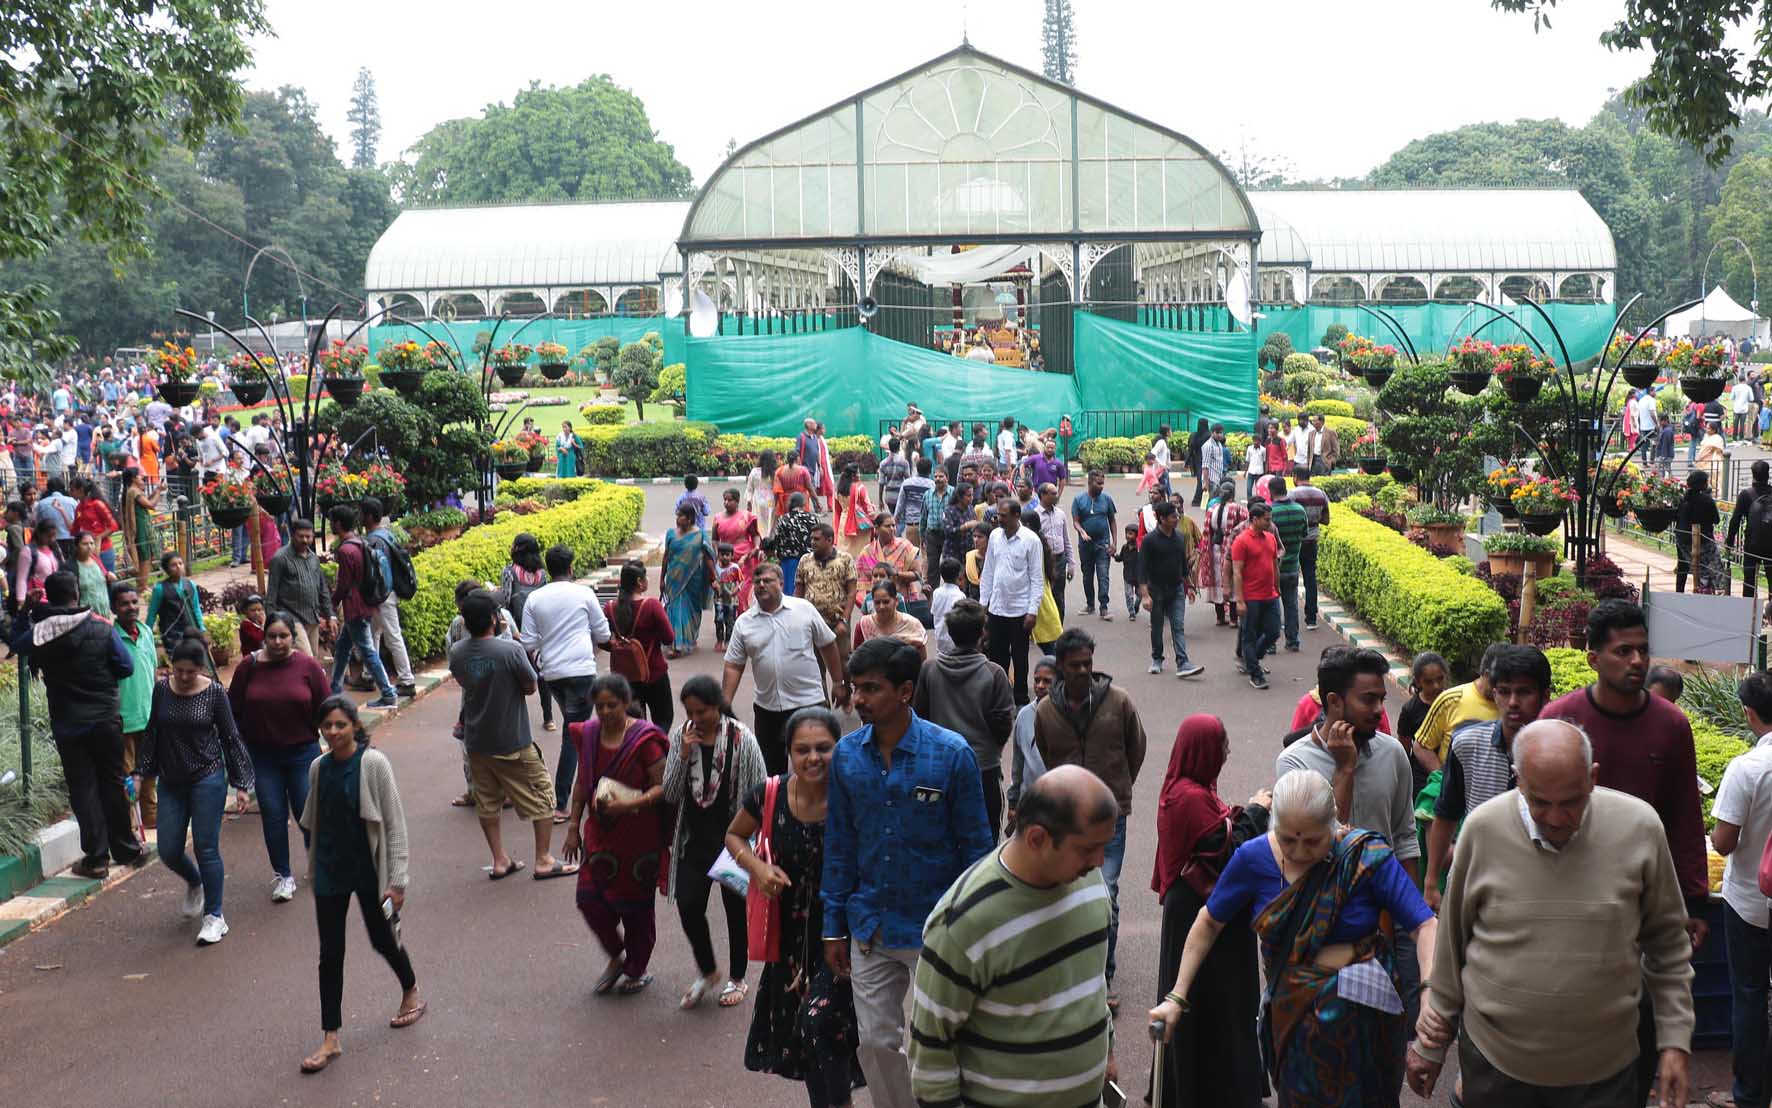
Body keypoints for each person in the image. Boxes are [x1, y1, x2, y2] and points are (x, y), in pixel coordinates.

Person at [1407, 721, 1692, 1108]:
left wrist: (1675, 1041)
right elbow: (1451, 948)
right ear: (1518, 781)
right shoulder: (1483, 829)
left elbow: (1669, 947)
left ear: (1592, 778)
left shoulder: (1640, 828)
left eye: (1571, 802)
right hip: (1495, 1068)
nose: (1556, 818)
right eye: (1540, 802)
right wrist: (1431, 1044)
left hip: (1605, 1075)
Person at [1151, 769, 1437, 1106]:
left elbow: (1424, 925)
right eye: (1288, 840)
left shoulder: (1365, 856)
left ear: (1334, 822)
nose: (1300, 851)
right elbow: (1209, 922)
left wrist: (1429, 996)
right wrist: (1177, 996)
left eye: (1313, 841)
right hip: (1295, 1028)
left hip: (1366, 1028)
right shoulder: (1253, 859)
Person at [1545, 598, 1709, 1104]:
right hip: (1567, 900)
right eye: (1623, 651)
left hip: (1641, 903)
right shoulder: (1559, 721)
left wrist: (1693, 900)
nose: (1637, 661)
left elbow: (1684, 817)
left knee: (1637, 1031)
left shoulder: (1671, 725)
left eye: (1643, 649)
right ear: (1593, 657)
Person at [822, 638, 992, 1108]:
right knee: (876, 1044)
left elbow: (977, 850)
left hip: (939, 931)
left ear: (905, 692)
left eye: (871, 688)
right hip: (870, 926)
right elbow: (839, 845)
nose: (858, 698)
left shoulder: (951, 755)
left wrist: (976, 931)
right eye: (855, 687)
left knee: (938, 1045)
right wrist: (833, 927)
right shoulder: (846, 757)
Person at [909, 766, 1120, 1108]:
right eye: (1087, 849)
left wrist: (1106, 1047)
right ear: (1037, 838)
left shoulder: (1088, 882)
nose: (1099, 862)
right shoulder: (962, 922)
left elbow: (1092, 982)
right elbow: (931, 1049)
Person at [1275, 645, 1424, 1083]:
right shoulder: (1295, 763)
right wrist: (1344, 770)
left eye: (1382, 699)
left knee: (1386, 1044)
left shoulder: (1393, 755)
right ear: (1334, 702)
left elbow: (1404, 836)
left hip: (1385, 925)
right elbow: (1326, 845)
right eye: (1369, 700)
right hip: (1322, 931)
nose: (1380, 711)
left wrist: (1411, 917)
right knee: (1327, 1050)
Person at [731, 707, 863, 1106]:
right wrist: (758, 868)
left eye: (824, 748)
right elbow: (734, 836)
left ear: (839, 748)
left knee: (820, 1023)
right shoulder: (768, 795)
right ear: (788, 751)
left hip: (842, 935)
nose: (813, 758)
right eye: (802, 749)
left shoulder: (855, 795)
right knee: (808, 1038)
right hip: (787, 939)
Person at [297, 696, 425, 1073]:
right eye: (327, 726)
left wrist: (397, 881)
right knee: (330, 953)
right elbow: (312, 819)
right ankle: (330, 1037)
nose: (333, 732)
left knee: (382, 939)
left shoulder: (373, 764)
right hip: (330, 870)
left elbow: (394, 825)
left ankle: (410, 989)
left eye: (340, 725)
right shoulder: (318, 768)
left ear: (355, 725)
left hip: (370, 870)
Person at [1150, 716, 1270, 1108]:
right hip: (1202, 914)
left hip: (1195, 909)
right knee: (1216, 1004)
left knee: (1207, 1004)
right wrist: (1256, 811)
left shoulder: (1189, 789)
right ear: (1203, 751)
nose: (1225, 753)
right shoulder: (1189, 797)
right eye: (1221, 746)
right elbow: (1227, 853)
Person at [1034, 628, 1147, 1009]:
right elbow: (1047, 755)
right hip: (1067, 820)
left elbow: (1136, 748)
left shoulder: (1118, 702)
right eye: (1074, 666)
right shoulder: (1046, 712)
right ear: (1061, 668)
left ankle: (1103, 977)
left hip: (1109, 818)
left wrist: (1117, 791)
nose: (1082, 671)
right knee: (1068, 892)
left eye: (1087, 664)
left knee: (1106, 893)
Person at [17, 572, 149, 877]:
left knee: (83, 788)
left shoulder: (42, 634)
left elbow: (18, 643)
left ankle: (97, 859)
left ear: (49, 597)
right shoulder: (101, 628)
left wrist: (27, 612)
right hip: (105, 719)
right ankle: (126, 849)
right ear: (77, 593)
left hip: (69, 724)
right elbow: (125, 666)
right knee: (112, 782)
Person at [450, 589, 576, 881]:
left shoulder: (457, 652)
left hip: (476, 740)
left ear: (465, 622)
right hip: (512, 738)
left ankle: (499, 860)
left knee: (487, 801)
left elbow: (462, 680)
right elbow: (531, 686)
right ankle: (543, 859)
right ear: (494, 619)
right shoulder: (510, 651)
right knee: (543, 794)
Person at [137, 635, 252, 945]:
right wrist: (140, 773)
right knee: (168, 849)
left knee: (206, 847)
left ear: (201, 669)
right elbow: (152, 731)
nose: (184, 677)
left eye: (191, 671)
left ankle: (214, 916)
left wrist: (241, 784)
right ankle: (194, 881)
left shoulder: (214, 693)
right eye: (179, 670)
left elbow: (230, 738)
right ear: (171, 667)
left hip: (207, 777)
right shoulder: (162, 689)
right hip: (171, 780)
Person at [560, 673, 670, 996]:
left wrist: (630, 804)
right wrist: (573, 827)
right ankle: (617, 956)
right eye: (600, 706)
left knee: (635, 908)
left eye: (612, 705)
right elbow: (583, 783)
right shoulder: (590, 735)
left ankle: (637, 968)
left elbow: (663, 786)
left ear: (626, 703)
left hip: (638, 838)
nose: (606, 712)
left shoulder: (644, 739)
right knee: (588, 900)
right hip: (599, 834)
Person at [662, 676, 766, 1010]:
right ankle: (708, 971)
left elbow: (759, 794)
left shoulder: (742, 739)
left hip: (734, 842)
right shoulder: (681, 737)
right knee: (688, 905)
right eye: (690, 712)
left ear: (717, 707)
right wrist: (683, 755)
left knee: (736, 911)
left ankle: (738, 977)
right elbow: (670, 793)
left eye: (702, 712)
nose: (696, 719)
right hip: (694, 840)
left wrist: (752, 843)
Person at [1423, 644, 1551, 906]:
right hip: (1477, 881)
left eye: (1524, 692)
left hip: (1539, 886)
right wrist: (1431, 881)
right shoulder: (1466, 743)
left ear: (1545, 696)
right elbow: (1446, 813)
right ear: (1494, 694)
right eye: (1504, 691)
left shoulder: (1560, 750)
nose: (1512, 702)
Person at [229, 610, 331, 903]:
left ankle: (317, 863)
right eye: (272, 636)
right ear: (264, 637)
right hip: (263, 757)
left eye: (283, 636)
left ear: (292, 637)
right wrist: (238, 749)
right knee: (273, 815)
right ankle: (283, 876)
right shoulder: (248, 667)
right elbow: (233, 711)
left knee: (306, 813)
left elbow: (327, 707)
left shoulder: (308, 666)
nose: (277, 642)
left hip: (303, 753)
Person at [1709, 672, 1772, 1108]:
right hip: (1753, 901)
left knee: (1749, 994)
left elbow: (1724, 842)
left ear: (1749, 713)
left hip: (1750, 902)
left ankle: (1749, 1096)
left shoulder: (1748, 768)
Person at [723, 561, 848, 775]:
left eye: (768, 580)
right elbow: (734, 665)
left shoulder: (804, 610)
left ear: (781, 583)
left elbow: (827, 644)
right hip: (768, 708)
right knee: (771, 771)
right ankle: (781, 797)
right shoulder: (744, 623)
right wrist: (724, 703)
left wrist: (838, 682)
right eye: (757, 581)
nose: (761, 585)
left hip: (808, 702)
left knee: (819, 765)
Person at [518, 544, 613, 819]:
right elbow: (603, 634)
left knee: (575, 730)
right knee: (575, 736)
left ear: (548, 569)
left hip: (553, 676)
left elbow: (528, 642)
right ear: (571, 568)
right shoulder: (584, 593)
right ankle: (562, 803)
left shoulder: (535, 599)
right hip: (581, 671)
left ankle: (583, 792)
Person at [912, 598, 1014, 839]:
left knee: (943, 834)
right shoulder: (994, 673)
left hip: (939, 766)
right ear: (982, 634)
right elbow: (1002, 724)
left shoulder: (930, 670)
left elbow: (919, 718)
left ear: (950, 632)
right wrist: (992, 750)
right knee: (985, 835)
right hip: (983, 768)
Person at [325, 506, 397, 709]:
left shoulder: (345, 550)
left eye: (332, 521)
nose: (330, 525)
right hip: (364, 604)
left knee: (367, 651)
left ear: (338, 523)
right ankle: (334, 690)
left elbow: (344, 585)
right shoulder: (359, 542)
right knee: (343, 648)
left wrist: (332, 603)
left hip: (354, 608)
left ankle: (388, 692)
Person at [979, 497, 1043, 706]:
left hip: (1020, 611)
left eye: (1004, 516)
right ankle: (1000, 697)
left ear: (1016, 516)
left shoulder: (1031, 540)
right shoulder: (995, 536)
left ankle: (1021, 698)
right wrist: (983, 604)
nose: (999, 519)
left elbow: (1036, 578)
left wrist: (1032, 610)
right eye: (998, 515)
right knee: (997, 657)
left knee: (1020, 657)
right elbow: (988, 571)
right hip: (997, 608)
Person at [602, 560, 676, 729]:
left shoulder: (610, 608)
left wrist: (618, 646)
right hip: (654, 673)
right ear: (639, 582)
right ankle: (656, 744)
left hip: (624, 677)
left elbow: (602, 640)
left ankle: (639, 744)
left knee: (633, 724)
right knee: (663, 720)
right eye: (645, 577)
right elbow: (669, 638)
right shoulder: (652, 606)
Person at [356, 499, 416, 698]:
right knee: (373, 634)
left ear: (369, 516)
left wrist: (373, 597)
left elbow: (375, 574)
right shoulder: (387, 535)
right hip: (387, 593)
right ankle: (368, 675)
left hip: (381, 596)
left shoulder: (373, 541)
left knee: (391, 636)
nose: (359, 517)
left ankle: (407, 680)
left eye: (361, 513)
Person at [111, 581, 159, 831]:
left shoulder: (146, 632)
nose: (130, 607)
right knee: (127, 774)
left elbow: (153, 671)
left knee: (149, 769)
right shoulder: (111, 638)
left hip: (148, 716)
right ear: (114, 608)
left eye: (134, 602)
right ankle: (130, 826)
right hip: (124, 720)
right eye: (123, 604)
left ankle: (151, 818)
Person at [1140, 499, 1204, 678]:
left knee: (1178, 626)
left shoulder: (1179, 538)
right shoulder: (1149, 541)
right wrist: (1145, 595)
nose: (1177, 519)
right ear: (1162, 519)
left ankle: (1183, 662)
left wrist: (1189, 586)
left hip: (1177, 589)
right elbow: (1141, 570)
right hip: (1156, 590)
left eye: (1177, 516)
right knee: (1157, 626)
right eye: (1173, 517)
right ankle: (1157, 658)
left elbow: (1182, 565)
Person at [499, 532, 555, 732]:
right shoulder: (542, 574)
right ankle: (549, 718)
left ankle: (515, 721)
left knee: (515, 673)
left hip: (517, 629)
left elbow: (506, 600)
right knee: (541, 672)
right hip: (539, 628)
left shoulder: (509, 571)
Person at [1231, 501, 1282, 689]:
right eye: (1266, 519)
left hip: (1270, 595)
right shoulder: (1241, 541)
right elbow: (1237, 572)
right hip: (1251, 597)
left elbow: (1274, 566)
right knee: (1249, 635)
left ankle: (1252, 658)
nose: (1270, 523)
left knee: (1274, 631)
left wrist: (1277, 588)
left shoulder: (1270, 538)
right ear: (1255, 519)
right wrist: (1239, 600)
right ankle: (1255, 673)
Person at [266, 518, 333, 659]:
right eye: (300, 536)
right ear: (292, 535)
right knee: (307, 657)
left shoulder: (313, 558)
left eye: (308, 536)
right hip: (291, 618)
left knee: (311, 660)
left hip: (312, 617)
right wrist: (271, 622)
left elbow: (322, 589)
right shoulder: (280, 558)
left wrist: (330, 615)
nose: (304, 540)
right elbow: (272, 592)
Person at [1006, 655, 1059, 813]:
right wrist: (1013, 801)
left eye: (1047, 681)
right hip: (1031, 804)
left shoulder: (1069, 716)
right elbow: (1018, 763)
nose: (1040, 686)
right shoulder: (1024, 715)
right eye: (1037, 680)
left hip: (1060, 804)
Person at [1281, 470, 1330, 633]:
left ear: (1295, 477)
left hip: (1295, 541)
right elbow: (1326, 519)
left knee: (1290, 578)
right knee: (1310, 578)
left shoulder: (1292, 494)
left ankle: (1290, 618)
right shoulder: (1321, 494)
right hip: (1312, 539)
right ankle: (1311, 618)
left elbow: (1288, 515)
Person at [662, 504, 714, 656]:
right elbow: (666, 557)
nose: (677, 519)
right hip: (673, 580)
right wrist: (661, 579)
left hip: (693, 580)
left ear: (690, 518)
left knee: (692, 611)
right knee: (675, 608)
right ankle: (676, 645)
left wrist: (714, 578)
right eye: (677, 515)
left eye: (681, 516)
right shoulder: (671, 534)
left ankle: (689, 638)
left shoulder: (701, 535)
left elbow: (708, 558)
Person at [1395, 651, 1448, 799]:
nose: (1436, 686)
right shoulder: (1410, 710)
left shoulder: (1452, 702)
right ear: (1418, 682)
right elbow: (1404, 748)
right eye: (1429, 682)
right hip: (1422, 778)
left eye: (1440, 679)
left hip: (1450, 771)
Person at [1070, 468, 1117, 621]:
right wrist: (1082, 532)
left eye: (1103, 483)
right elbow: (1076, 522)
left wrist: (1114, 543)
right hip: (1086, 546)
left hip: (1103, 544)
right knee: (1087, 576)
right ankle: (1090, 604)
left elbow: (1112, 521)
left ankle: (1104, 607)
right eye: (1098, 483)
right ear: (1090, 482)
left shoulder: (1107, 499)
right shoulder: (1079, 500)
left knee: (1103, 576)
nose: (1101, 486)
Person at [1200, 479, 1247, 626]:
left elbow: (1207, 532)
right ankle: (1233, 619)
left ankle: (1220, 618)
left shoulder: (1212, 509)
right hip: (1231, 549)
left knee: (1217, 583)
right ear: (1233, 494)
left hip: (1215, 549)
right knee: (1232, 582)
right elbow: (1245, 527)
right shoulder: (1238, 509)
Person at [711, 487, 763, 610]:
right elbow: (714, 539)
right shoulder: (718, 518)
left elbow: (755, 535)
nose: (726, 503)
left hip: (745, 560)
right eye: (725, 500)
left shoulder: (747, 516)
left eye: (730, 500)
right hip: (726, 560)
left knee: (742, 592)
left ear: (737, 501)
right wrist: (718, 554)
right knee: (726, 594)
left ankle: (742, 617)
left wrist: (756, 547)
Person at [1675, 468, 1725, 593]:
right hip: (1703, 540)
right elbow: (1716, 519)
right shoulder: (1706, 500)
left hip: (1683, 539)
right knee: (1712, 566)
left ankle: (1679, 592)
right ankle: (1715, 590)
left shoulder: (1682, 499)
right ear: (1702, 484)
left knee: (1682, 566)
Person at [856, 512, 923, 603]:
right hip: (878, 602)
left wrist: (897, 574)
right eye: (887, 526)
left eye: (893, 525)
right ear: (877, 529)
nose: (892, 529)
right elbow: (861, 583)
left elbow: (918, 574)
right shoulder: (867, 552)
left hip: (903, 599)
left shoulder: (905, 547)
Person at [1728, 459, 1772, 600]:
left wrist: (1729, 541)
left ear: (1753, 475)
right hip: (1771, 544)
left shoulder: (1746, 495)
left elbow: (1735, 520)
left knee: (1749, 581)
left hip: (1752, 544)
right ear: (1768, 475)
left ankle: (1748, 609)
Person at [851, 579, 927, 658]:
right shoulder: (864, 626)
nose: (881, 606)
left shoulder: (911, 624)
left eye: (886, 602)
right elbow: (857, 658)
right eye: (877, 602)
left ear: (896, 601)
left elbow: (922, 658)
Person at [771, 492, 816, 594]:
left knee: (790, 589)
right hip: (809, 558)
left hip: (789, 561)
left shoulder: (783, 519)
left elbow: (778, 540)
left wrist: (778, 557)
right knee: (809, 588)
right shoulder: (812, 518)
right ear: (803, 504)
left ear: (790, 504)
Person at [73, 477, 120, 574]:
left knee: (108, 579)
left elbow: (114, 526)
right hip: (87, 552)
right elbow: (74, 530)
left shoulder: (97, 504)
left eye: (72, 490)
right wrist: (62, 512)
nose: (70, 492)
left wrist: (99, 537)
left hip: (104, 550)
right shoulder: (79, 508)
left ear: (80, 490)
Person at [833, 464, 873, 558]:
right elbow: (868, 506)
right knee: (860, 552)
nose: (859, 475)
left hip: (843, 520)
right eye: (858, 473)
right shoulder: (860, 488)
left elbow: (837, 510)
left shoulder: (838, 490)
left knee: (845, 549)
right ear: (853, 475)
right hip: (858, 524)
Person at [70, 530, 113, 617]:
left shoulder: (96, 560)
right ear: (76, 546)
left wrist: (110, 577)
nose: (89, 547)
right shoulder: (71, 567)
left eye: (91, 543)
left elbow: (106, 577)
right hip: (86, 615)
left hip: (103, 610)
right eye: (84, 544)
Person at [927, 557, 964, 656]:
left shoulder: (936, 593)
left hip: (940, 641)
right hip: (954, 642)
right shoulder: (960, 596)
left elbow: (933, 612)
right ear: (958, 575)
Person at [744, 448, 778, 536]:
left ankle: (760, 539)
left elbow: (749, 489)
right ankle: (768, 539)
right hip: (771, 501)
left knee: (758, 523)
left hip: (758, 501)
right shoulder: (775, 473)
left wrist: (749, 503)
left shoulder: (755, 472)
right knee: (769, 522)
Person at [774, 449, 816, 520]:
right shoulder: (803, 470)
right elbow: (810, 488)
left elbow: (776, 491)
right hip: (801, 502)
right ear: (797, 458)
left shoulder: (779, 471)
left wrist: (775, 505)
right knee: (802, 521)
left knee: (788, 522)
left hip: (786, 503)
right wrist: (817, 502)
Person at [876, 436, 910, 518]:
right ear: (899, 447)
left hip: (889, 496)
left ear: (889, 447)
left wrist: (880, 499)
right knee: (901, 518)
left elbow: (881, 483)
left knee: (893, 516)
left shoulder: (883, 463)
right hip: (900, 495)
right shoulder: (904, 463)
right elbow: (908, 480)